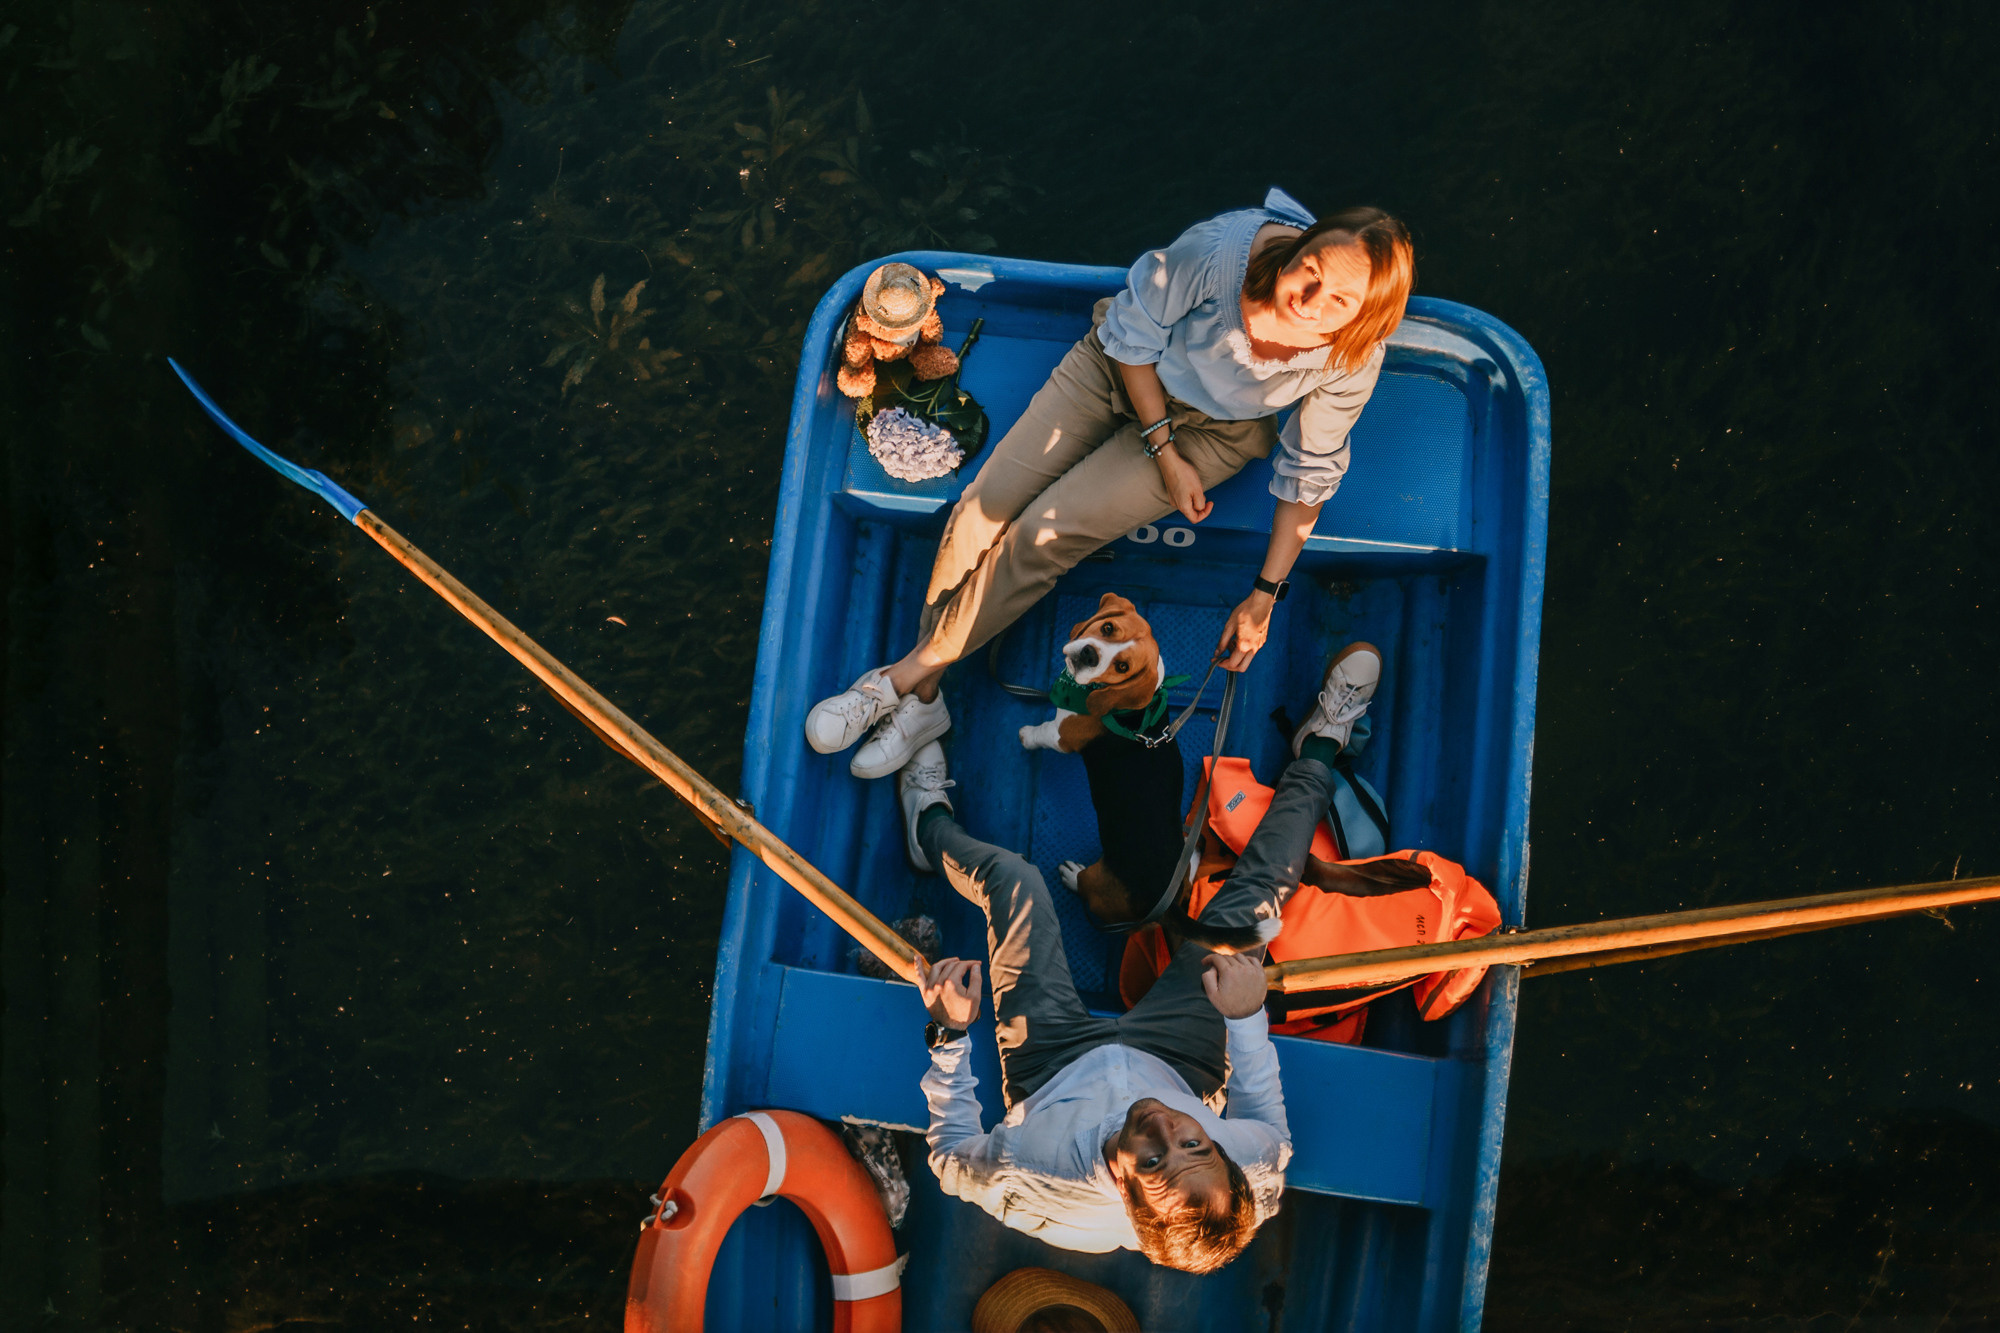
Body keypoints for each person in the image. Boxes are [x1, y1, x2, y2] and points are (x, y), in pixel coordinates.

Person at [807, 188, 1416, 779]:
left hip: (1213, 434)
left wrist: (1264, 596)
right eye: (1308, 270)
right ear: (1299, 247)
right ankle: (923, 698)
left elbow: (1309, 472)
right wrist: (1162, 450)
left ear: (1368, 314)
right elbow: (1134, 337)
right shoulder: (1220, 253)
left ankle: (895, 685)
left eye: (1341, 300)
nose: (1311, 300)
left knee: (1042, 537)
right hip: (1119, 369)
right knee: (977, 515)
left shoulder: (1352, 356)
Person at [894, 656, 1379, 1271]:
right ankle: (1321, 746)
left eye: (1150, 1162)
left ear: (1124, 1194)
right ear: (1223, 1153)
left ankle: (927, 824)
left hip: (1052, 1066)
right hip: (1182, 1061)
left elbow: (951, 1154)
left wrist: (950, 1033)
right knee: (1256, 897)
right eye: (1193, 1145)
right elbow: (1260, 1111)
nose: (1160, 1129)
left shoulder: (1029, 1174)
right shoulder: (1255, 1169)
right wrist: (1247, 1015)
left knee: (1012, 881)